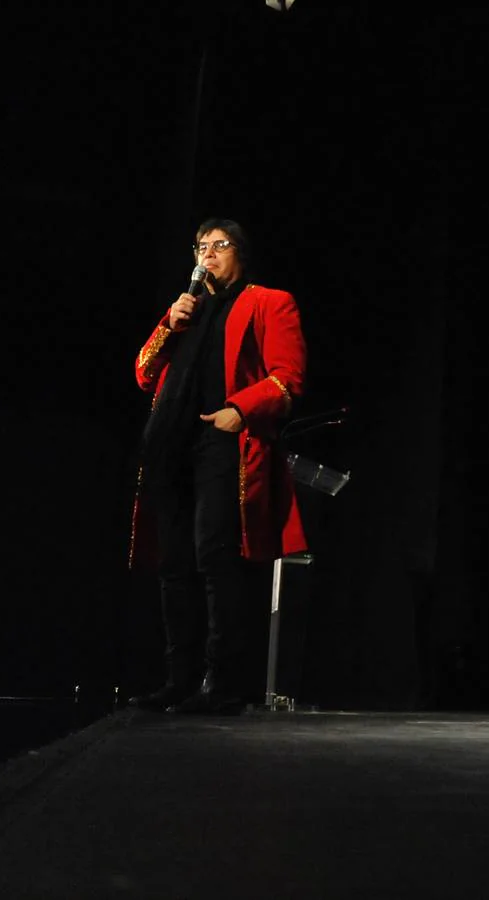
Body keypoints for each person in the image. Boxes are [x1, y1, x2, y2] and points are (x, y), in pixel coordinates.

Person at [127, 218, 308, 714]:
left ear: (240, 253)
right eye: (201, 247)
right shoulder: (186, 309)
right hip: (171, 443)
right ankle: (179, 680)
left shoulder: (270, 301)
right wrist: (169, 322)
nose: (207, 254)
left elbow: (287, 378)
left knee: (215, 559)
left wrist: (241, 410)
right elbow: (144, 373)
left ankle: (224, 684)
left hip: (223, 441)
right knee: (173, 563)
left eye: (219, 245)